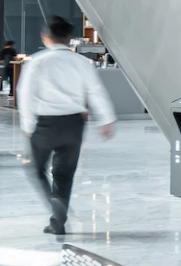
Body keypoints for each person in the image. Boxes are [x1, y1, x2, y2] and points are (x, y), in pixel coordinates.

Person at [15, 15, 117, 235]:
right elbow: (96, 91)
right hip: (73, 124)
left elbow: (25, 94)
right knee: (64, 174)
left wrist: (28, 125)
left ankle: (56, 205)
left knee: (36, 170)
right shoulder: (81, 62)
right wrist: (107, 119)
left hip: (44, 124)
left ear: (45, 36)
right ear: (70, 38)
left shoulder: (37, 62)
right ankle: (57, 221)